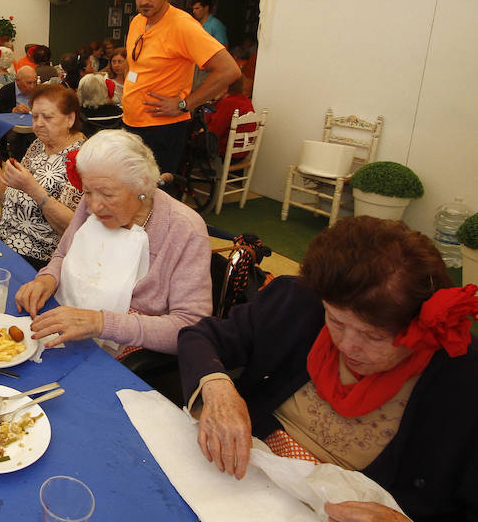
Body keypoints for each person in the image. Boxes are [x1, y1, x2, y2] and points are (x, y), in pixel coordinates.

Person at [175, 216, 478, 522]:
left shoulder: (463, 380)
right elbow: (201, 338)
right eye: (335, 320)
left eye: (372, 336)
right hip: (241, 483)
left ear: (421, 329)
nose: (347, 345)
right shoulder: (299, 302)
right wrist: (219, 390)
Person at [16, 129, 211, 356]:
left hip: (128, 355)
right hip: (67, 326)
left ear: (142, 186)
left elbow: (191, 328)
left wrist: (101, 323)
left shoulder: (184, 230)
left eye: (107, 195)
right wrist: (48, 279)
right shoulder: (91, 202)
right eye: (88, 191)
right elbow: (62, 255)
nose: (95, 206)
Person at [123, 0, 240, 186]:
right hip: (131, 123)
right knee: (128, 192)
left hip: (162, 129)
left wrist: (184, 104)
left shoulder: (183, 25)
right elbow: (135, 65)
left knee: (155, 197)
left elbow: (229, 70)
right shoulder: (138, 21)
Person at [0, 84, 86, 269]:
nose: (38, 123)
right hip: (4, 244)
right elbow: (6, 200)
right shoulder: (38, 145)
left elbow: (72, 227)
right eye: (35, 116)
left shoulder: (82, 158)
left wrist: (32, 188)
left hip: (40, 261)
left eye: (48, 117)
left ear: (70, 119)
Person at [204, 77, 255, 159]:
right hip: (241, 153)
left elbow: (213, 134)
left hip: (225, 154)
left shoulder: (228, 103)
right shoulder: (245, 100)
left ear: (225, 88)